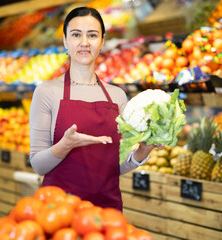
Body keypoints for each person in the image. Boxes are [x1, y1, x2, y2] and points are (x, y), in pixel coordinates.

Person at [29, 7, 159, 211]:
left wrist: (142, 152)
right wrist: (65, 145)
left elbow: (115, 166)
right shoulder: (47, 92)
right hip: (59, 213)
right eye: (76, 35)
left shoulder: (117, 96)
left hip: (106, 212)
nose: (84, 42)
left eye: (92, 35)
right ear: (65, 41)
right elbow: (38, 164)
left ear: (102, 41)